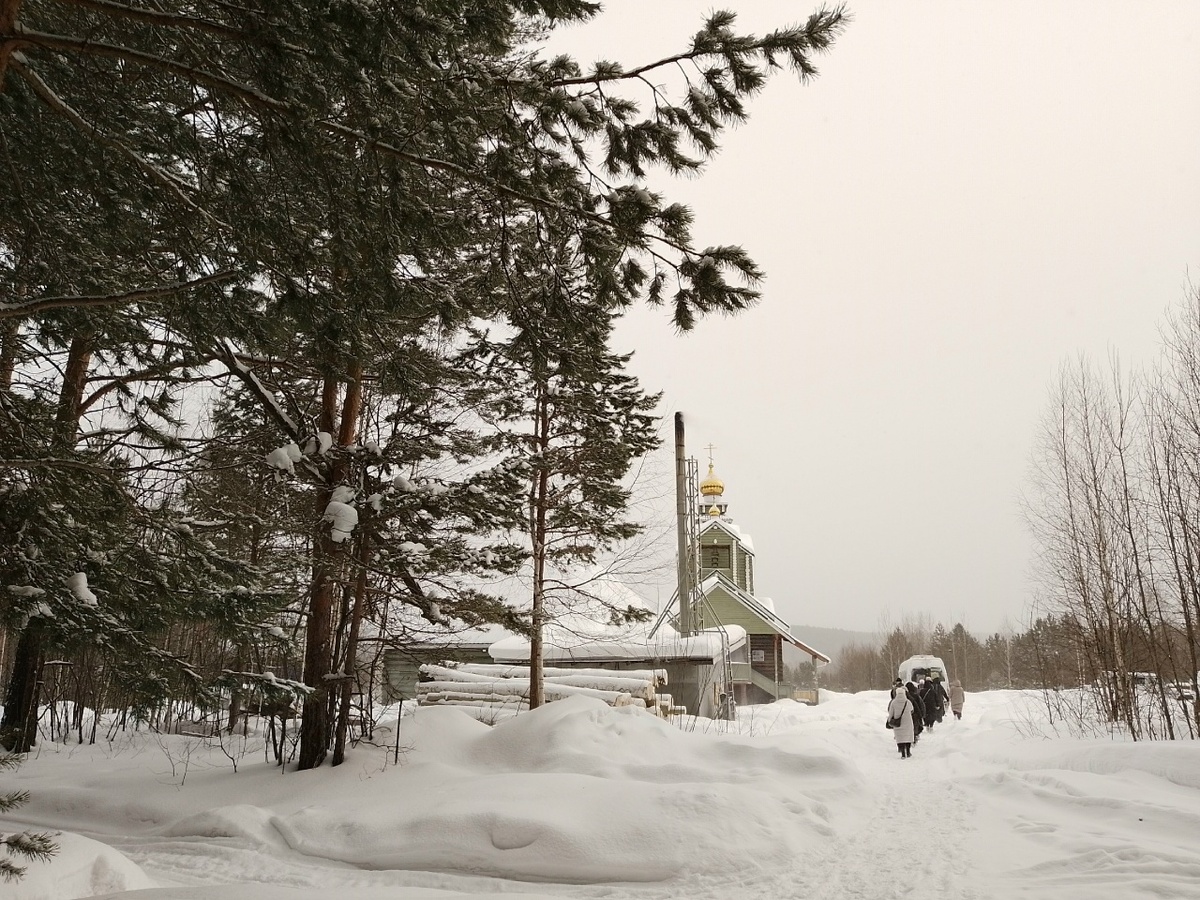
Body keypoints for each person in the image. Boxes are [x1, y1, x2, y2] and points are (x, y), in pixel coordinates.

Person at [887, 682, 915, 758]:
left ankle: (903, 753)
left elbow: (891, 713)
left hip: (898, 722)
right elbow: (912, 710)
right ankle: (908, 752)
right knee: (908, 737)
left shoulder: (893, 702)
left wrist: (889, 720)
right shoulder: (908, 702)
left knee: (900, 738)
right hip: (908, 722)